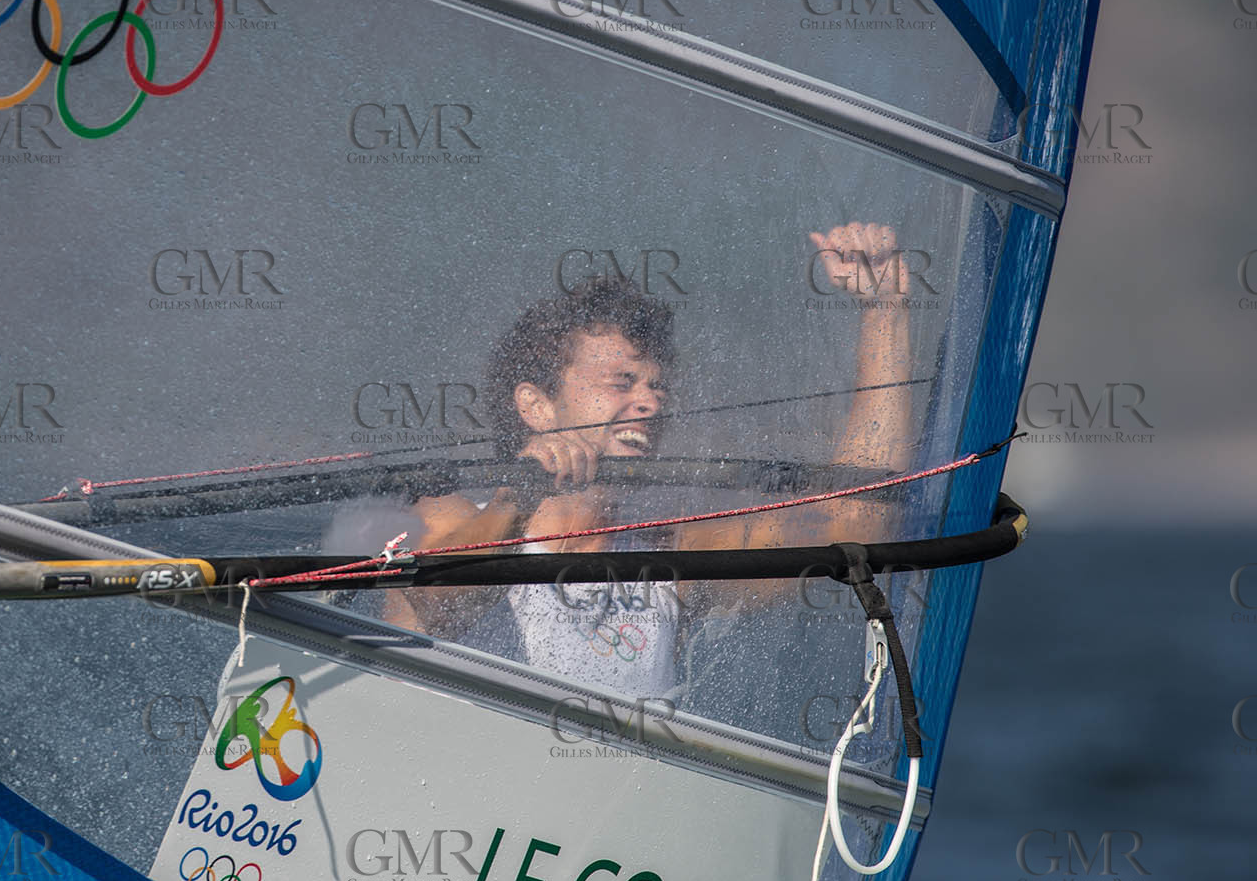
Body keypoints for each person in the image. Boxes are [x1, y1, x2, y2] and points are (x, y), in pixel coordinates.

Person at [383, 222, 915, 700]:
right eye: (623, 382)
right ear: (536, 406)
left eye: (657, 387)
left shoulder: (670, 555)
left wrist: (885, 312)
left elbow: (858, 521)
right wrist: (516, 496)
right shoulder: (441, 513)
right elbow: (440, 605)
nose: (651, 402)